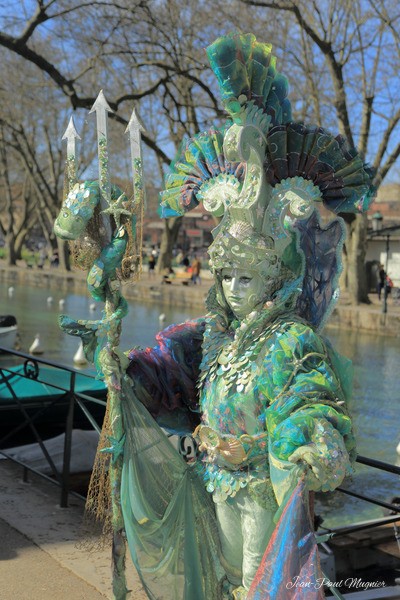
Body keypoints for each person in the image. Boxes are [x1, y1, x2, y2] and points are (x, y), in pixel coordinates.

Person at [78, 33, 375, 600]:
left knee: (258, 583)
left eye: (247, 278)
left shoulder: (288, 341)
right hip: (214, 481)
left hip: (263, 489)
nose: (234, 290)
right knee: (223, 581)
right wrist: (124, 366)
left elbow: (310, 402)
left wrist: (302, 446)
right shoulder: (215, 334)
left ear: (273, 279)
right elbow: (168, 367)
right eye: (228, 277)